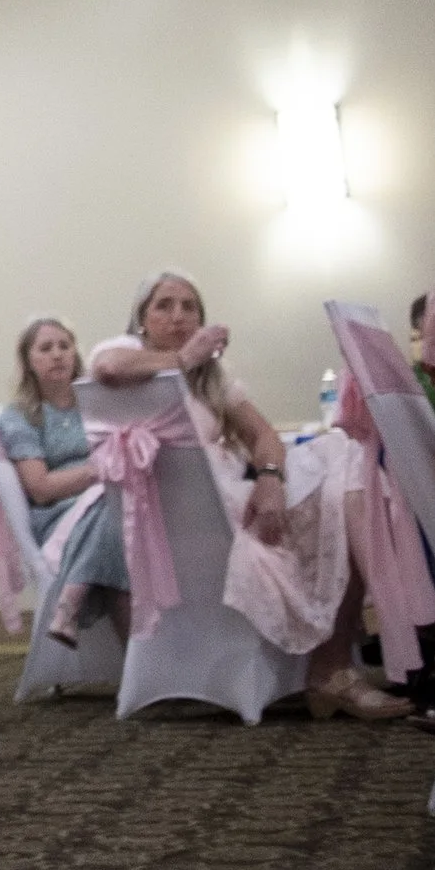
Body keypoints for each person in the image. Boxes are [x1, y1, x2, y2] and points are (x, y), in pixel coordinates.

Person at [89, 273, 397, 718]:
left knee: (348, 473)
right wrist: (179, 358)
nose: (178, 315)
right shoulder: (127, 359)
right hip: (188, 523)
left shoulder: (211, 379)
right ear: (141, 320)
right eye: (164, 305)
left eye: (189, 306)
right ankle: (336, 666)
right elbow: (106, 369)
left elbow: (265, 435)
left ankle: (341, 663)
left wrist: (270, 478)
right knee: (344, 488)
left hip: (232, 500)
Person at [0, 314, 131, 649]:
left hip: (109, 506)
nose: (58, 354)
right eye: (46, 348)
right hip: (58, 515)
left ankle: (72, 600)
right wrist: (97, 471)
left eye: (64, 346)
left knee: (111, 509)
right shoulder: (21, 415)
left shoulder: (97, 402)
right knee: (108, 506)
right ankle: (136, 664)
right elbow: (40, 488)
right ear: (29, 361)